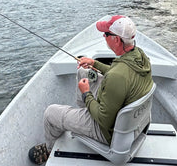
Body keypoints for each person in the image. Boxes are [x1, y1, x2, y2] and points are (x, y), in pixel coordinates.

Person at [28, 15, 153, 165]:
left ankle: (50, 150)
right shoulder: (140, 56)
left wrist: (86, 93)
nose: (103, 36)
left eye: (106, 34)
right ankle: (82, 116)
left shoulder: (117, 76)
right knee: (83, 73)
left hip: (107, 131)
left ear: (117, 40)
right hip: (132, 122)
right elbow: (118, 74)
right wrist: (94, 63)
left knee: (50, 113)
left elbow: (104, 119)